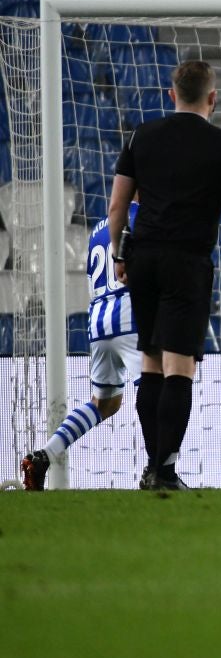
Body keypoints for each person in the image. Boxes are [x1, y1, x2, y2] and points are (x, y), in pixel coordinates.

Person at [107, 60, 221, 491]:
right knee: (178, 367)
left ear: (171, 94)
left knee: (150, 361)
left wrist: (118, 253)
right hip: (187, 261)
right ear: (212, 98)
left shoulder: (142, 135)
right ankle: (164, 469)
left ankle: (152, 466)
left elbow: (117, 206)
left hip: (142, 258)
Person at [21, 204, 141, 490]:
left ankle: (43, 456)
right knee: (158, 390)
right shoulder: (144, 218)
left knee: (106, 403)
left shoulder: (99, 228)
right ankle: (160, 470)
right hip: (130, 313)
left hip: (99, 319)